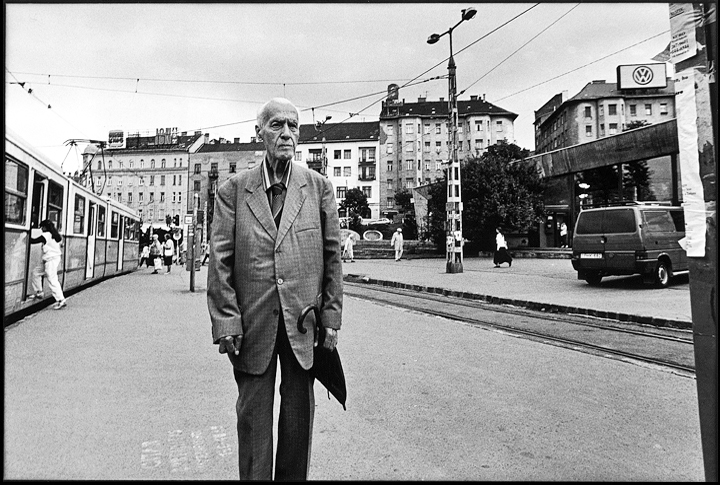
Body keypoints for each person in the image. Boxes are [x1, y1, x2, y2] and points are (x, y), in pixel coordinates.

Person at [207, 97, 343, 481]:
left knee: (298, 421)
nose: (286, 133)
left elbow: (333, 256)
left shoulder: (318, 188)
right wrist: (226, 321)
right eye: (276, 125)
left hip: (303, 322)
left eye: (293, 126)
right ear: (259, 132)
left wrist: (331, 318)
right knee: (253, 421)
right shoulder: (233, 191)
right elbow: (220, 261)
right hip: (252, 324)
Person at [29, 219, 67, 310]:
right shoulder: (56, 235)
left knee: (52, 279)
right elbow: (62, 244)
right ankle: (39, 292)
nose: (41, 229)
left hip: (51, 260)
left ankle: (61, 300)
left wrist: (25, 234)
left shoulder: (46, 235)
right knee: (35, 273)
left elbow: (33, 241)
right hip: (50, 259)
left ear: (45, 227)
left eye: (42, 227)